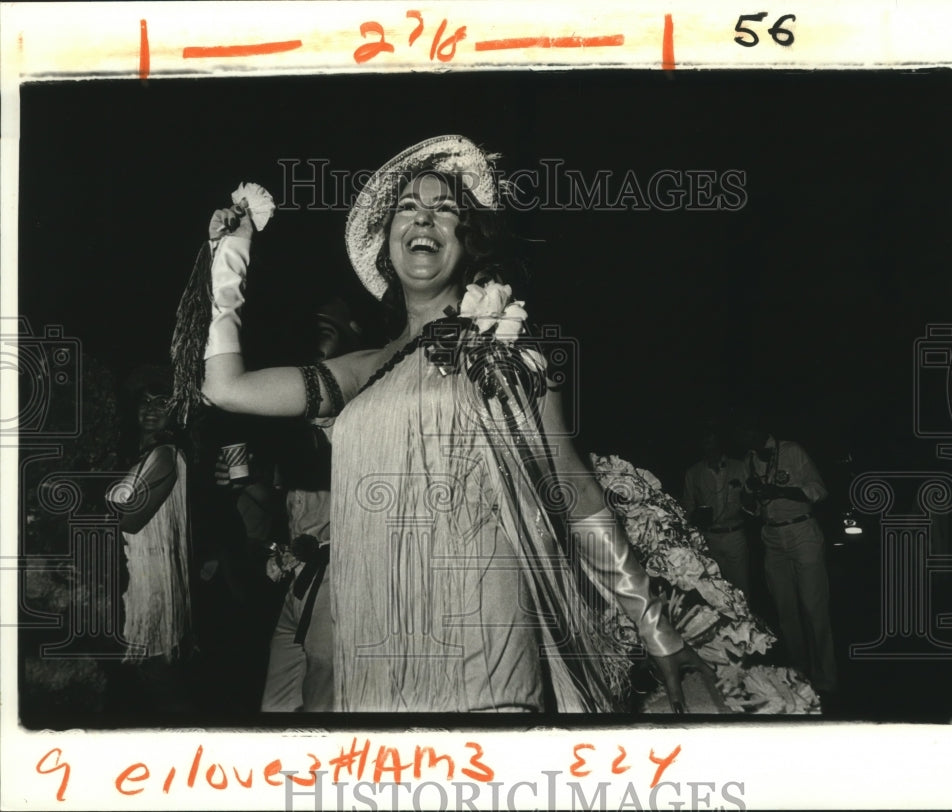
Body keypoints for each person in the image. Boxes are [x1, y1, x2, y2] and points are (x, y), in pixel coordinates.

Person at [199, 135, 712, 713]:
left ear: (467, 242)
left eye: (445, 208)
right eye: (408, 208)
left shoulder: (502, 344)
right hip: (376, 649)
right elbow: (226, 388)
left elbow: (572, 488)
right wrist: (231, 255)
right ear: (387, 242)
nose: (425, 218)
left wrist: (656, 627)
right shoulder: (364, 369)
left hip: (482, 645)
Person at [257, 298, 363, 712]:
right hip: (298, 578)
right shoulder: (296, 415)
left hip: (338, 581)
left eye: (324, 329)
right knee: (276, 705)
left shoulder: (358, 408)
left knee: (322, 704)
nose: (311, 340)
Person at [108, 369, 192, 711]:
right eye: (145, 402)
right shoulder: (133, 453)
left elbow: (129, 518)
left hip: (150, 574)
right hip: (135, 568)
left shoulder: (164, 454)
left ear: (174, 412)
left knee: (155, 673)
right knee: (143, 677)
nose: (152, 409)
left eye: (162, 403)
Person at [735, 416, 838, 695]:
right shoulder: (748, 461)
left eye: (744, 430)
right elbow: (754, 508)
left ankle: (827, 676)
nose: (741, 437)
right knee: (785, 610)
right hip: (771, 537)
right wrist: (748, 501)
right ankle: (800, 672)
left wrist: (782, 490)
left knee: (813, 607)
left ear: (757, 428)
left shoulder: (792, 451)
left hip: (802, 531)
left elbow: (819, 490)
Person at [680, 426, 750, 597]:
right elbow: (687, 506)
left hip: (735, 535)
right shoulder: (693, 473)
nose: (709, 447)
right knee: (715, 589)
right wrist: (695, 518)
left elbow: (751, 499)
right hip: (708, 537)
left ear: (720, 443)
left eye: (712, 442)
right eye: (705, 443)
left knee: (741, 588)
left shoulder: (739, 467)